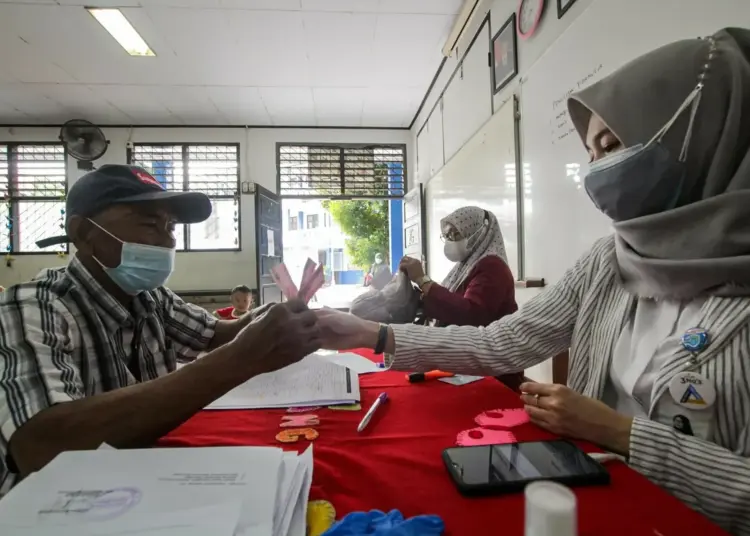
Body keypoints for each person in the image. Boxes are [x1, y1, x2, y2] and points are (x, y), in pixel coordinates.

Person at [316, 28, 750, 534]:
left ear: (701, 135)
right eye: (591, 154)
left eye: (611, 144)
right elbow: (504, 341)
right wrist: (376, 335)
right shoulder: (611, 259)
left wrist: (620, 433)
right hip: (598, 502)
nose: (597, 170)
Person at [0, 165, 320, 493]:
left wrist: (269, 317)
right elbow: (40, 447)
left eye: (170, 226)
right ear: (83, 233)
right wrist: (240, 358)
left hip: (139, 482)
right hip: (60, 503)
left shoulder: (151, 298)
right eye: (150, 223)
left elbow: (214, 334)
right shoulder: (32, 306)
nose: (166, 239)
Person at [399, 207, 522, 390]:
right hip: (471, 363)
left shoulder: (491, 266)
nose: (449, 241)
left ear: (478, 234)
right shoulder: (466, 265)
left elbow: (471, 313)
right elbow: (449, 303)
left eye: (456, 234)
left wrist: (423, 280)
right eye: (447, 235)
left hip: (494, 371)